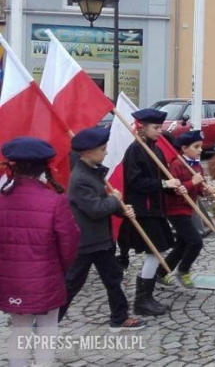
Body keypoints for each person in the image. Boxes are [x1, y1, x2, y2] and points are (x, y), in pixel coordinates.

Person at [0, 138, 81, 367]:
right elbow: (70, 242)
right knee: (47, 329)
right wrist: (58, 268)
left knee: (19, 329)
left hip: (11, 279)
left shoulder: (2, 200)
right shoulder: (55, 202)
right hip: (46, 277)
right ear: (44, 168)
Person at [59, 127, 147, 331]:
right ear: (88, 152)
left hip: (101, 241)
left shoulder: (93, 172)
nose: (106, 152)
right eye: (102, 149)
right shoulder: (80, 179)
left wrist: (123, 211)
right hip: (87, 243)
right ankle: (47, 322)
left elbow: (104, 205)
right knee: (72, 284)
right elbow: (96, 209)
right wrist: (114, 200)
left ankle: (119, 317)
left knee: (113, 278)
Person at [118, 108, 186, 316]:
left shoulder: (155, 150)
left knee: (157, 251)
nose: (159, 131)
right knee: (155, 252)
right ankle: (142, 299)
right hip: (143, 210)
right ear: (142, 128)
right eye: (155, 128)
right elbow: (135, 182)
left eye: (160, 128)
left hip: (156, 209)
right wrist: (164, 183)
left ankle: (146, 296)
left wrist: (174, 188)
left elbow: (162, 180)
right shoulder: (135, 150)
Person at [157, 130, 213, 289]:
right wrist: (192, 183)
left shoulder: (196, 165)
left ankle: (160, 273)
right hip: (175, 209)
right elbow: (175, 189)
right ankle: (183, 270)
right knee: (195, 241)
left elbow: (198, 188)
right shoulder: (177, 164)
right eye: (196, 147)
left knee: (182, 244)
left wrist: (205, 190)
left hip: (188, 209)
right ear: (184, 148)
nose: (200, 150)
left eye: (200, 146)